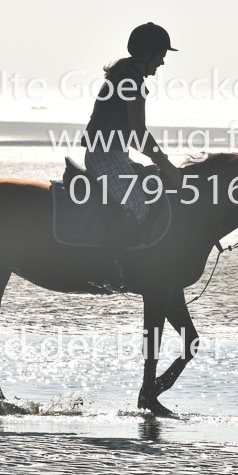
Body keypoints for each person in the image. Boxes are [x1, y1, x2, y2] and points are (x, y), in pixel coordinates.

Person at [80, 22, 184, 291]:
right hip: (105, 155)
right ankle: (104, 266)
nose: (161, 63)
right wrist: (167, 165)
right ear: (148, 54)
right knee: (138, 206)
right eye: (161, 55)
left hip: (114, 154)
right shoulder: (131, 81)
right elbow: (139, 134)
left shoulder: (126, 75)